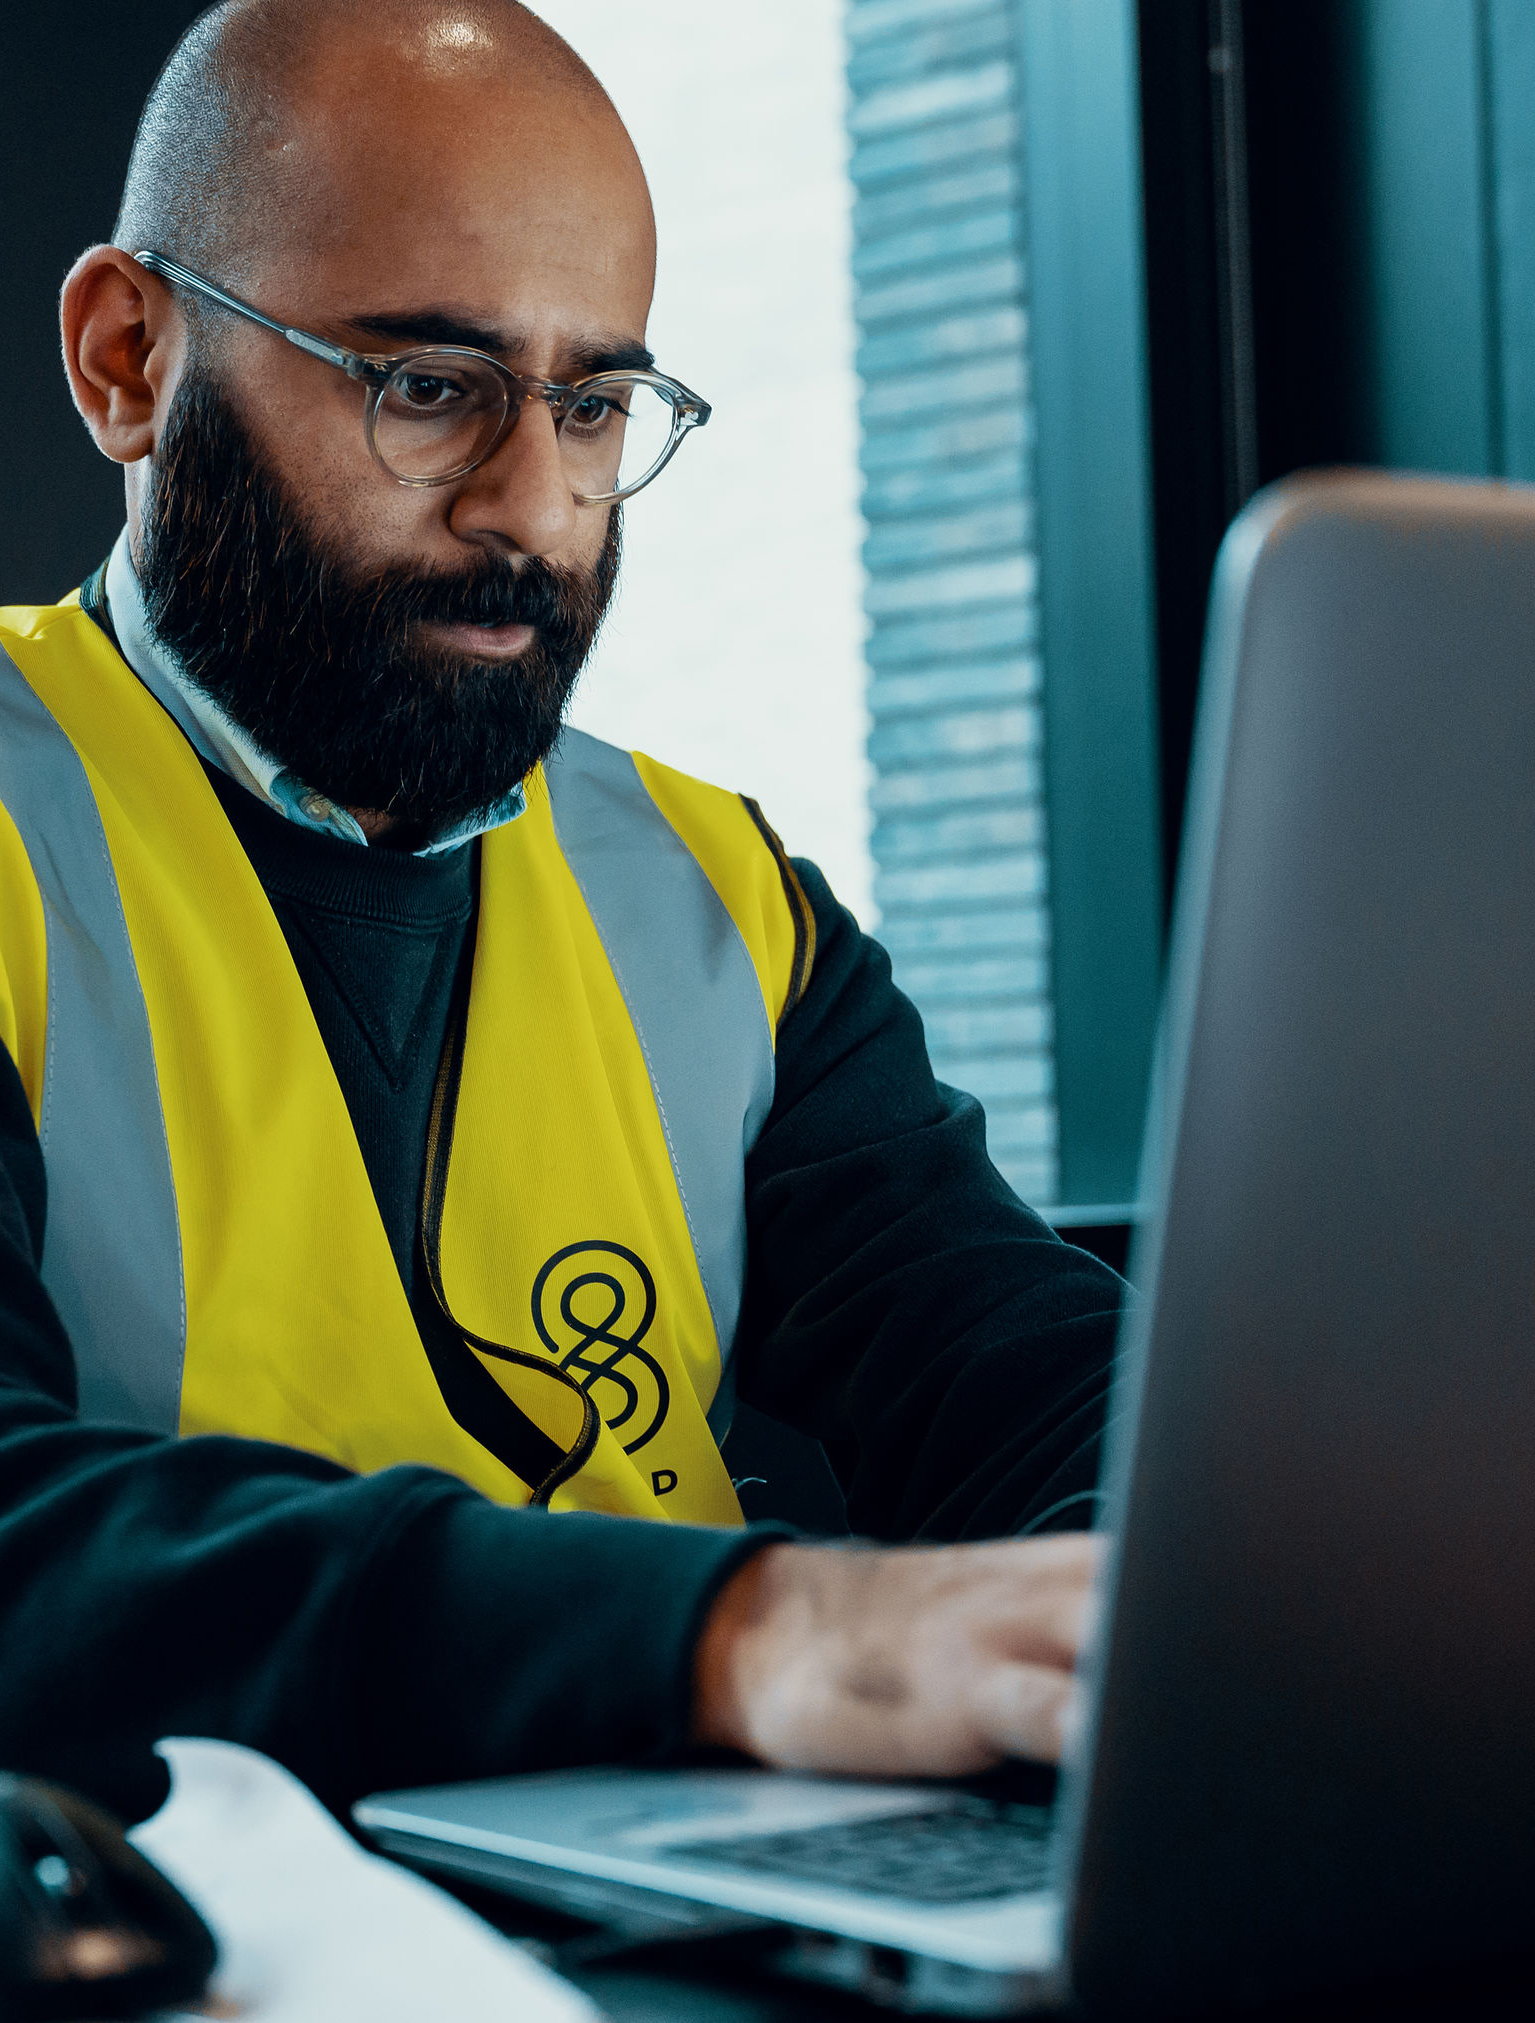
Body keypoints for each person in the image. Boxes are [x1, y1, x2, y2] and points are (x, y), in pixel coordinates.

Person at [0, 0, 1121, 1824]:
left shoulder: (727, 900)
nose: (538, 505)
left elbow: (1027, 1376)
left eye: (593, 400)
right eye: (426, 386)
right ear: (130, 358)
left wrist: (1157, 1618)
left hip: (667, 1911)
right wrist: (750, 1638)